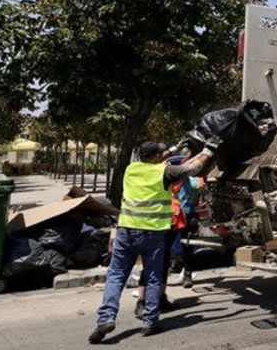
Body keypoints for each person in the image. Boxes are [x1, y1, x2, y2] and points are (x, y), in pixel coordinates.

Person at [89, 139, 219, 344]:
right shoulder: (164, 172)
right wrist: (208, 150)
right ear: (157, 157)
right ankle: (150, 322)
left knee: (115, 276)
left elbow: (162, 157)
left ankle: (105, 318)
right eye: (162, 152)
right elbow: (193, 168)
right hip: (152, 234)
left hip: (126, 231)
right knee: (153, 276)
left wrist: (179, 146)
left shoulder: (131, 169)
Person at [134, 164, 206, 318]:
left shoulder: (172, 179)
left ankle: (160, 298)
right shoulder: (163, 178)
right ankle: (142, 302)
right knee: (153, 262)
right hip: (160, 224)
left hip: (171, 222)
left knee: (164, 261)